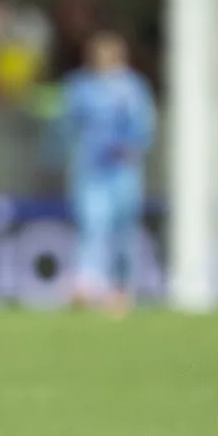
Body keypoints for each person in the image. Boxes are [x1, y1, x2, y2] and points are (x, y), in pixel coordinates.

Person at [62, 30, 156, 317]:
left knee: (123, 231)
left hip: (123, 171)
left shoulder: (133, 88)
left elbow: (144, 127)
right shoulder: (80, 86)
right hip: (91, 170)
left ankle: (120, 288)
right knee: (93, 224)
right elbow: (68, 124)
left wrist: (131, 147)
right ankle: (87, 283)